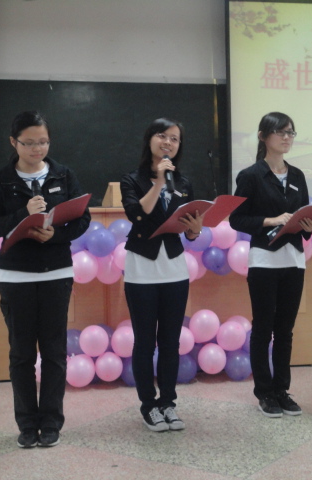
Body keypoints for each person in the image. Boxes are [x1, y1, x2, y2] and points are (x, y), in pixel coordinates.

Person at [0, 111, 90, 448]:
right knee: (22, 354)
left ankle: (52, 422)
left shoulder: (64, 175)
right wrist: (23, 215)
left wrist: (55, 234)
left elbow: (82, 219)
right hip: (16, 275)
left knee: (55, 352)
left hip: (57, 272)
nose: (37, 149)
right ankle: (27, 424)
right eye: (29, 143)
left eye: (43, 142)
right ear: (13, 143)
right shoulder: (0, 180)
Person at [229, 112, 312, 418]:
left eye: (291, 132)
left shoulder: (297, 175)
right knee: (263, 328)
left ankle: (282, 390)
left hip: (293, 259)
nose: (287, 137)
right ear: (263, 136)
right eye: (281, 132)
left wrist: (308, 225)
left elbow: (305, 219)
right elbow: (237, 219)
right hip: (264, 260)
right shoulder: (251, 175)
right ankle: (264, 393)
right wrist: (271, 220)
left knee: (285, 330)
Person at [120, 118, 203, 432]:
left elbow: (188, 227)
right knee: (144, 342)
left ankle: (168, 403)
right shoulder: (132, 179)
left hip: (174, 268)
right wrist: (157, 182)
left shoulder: (183, 182)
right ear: (150, 139)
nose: (168, 142)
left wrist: (195, 231)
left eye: (175, 139)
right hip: (141, 267)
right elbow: (138, 215)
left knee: (170, 342)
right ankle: (148, 406)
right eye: (162, 136)